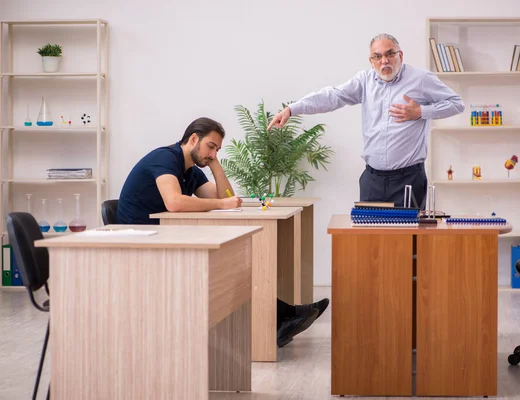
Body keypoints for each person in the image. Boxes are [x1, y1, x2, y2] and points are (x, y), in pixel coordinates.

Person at [116, 116, 329, 347]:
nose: (213, 153)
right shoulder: (165, 158)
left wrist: (214, 163)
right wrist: (221, 204)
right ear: (193, 139)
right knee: (229, 262)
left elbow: (226, 198)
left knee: (234, 257)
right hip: (142, 240)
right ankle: (282, 318)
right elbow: (174, 203)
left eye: (217, 149)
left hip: (165, 234)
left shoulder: (190, 169)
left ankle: (283, 315)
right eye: (210, 146)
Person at [268, 33, 465, 208]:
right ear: (371, 61)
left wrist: (421, 111)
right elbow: (333, 96)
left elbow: (457, 103)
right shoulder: (364, 80)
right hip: (373, 180)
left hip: (409, 180)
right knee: (370, 245)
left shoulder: (421, 79)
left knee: (407, 245)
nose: (384, 61)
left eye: (390, 54)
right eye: (377, 56)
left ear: (400, 55)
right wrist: (293, 108)